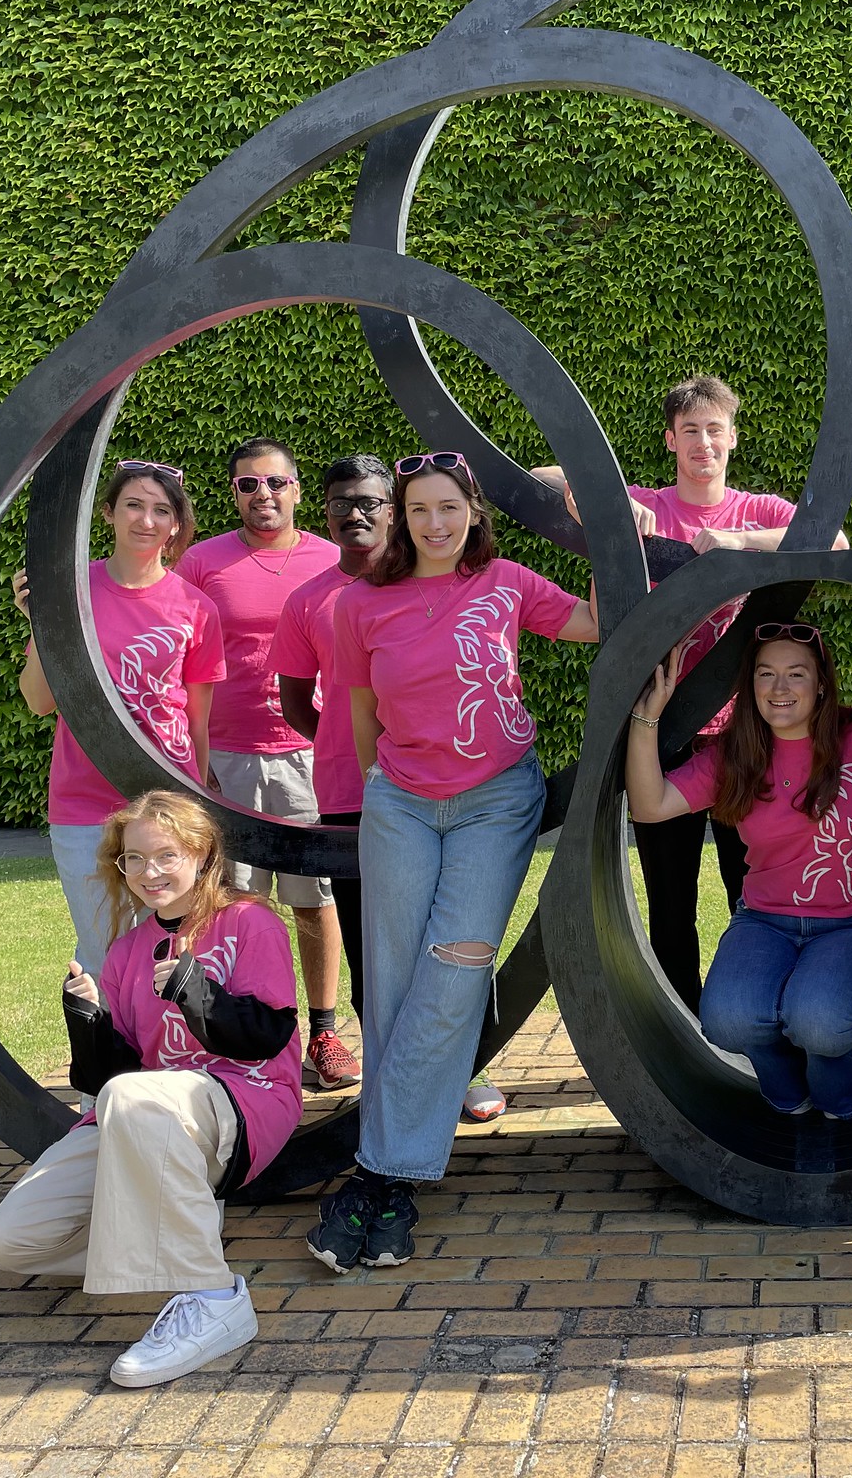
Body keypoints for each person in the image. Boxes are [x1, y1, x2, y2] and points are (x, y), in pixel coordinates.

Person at [307, 451, 598, 1272]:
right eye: (420, 509)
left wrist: (591, 525)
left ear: (474, 509)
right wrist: (377, 785)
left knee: (455, 968)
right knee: (394, 979)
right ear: (401, 516)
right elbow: (362, 709)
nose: (436, 523)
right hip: (399, 802)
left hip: (496, 800)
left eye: (450, 507)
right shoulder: (359, 604)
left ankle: (378, 1172)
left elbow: (598, 620)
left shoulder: (505, 580)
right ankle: (392, 1184)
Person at [534, 374, 844, 1012]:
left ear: (733, 439)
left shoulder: (757, 511)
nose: (704, 443)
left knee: (749, 889)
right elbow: (538, 476)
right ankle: (682, 1026)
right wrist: (599, 499)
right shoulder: (645, 504)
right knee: (669, 899)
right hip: (662, 732)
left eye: (715, 430)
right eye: (691, 431)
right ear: (671, 440)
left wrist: (739, 545)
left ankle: (751, 1018)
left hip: (744, 736)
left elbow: (833, 542)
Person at [0, 790, 302, 1387]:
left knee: (134, 1098)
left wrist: (193, 988)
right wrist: (90, 1023)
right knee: (12, 1241)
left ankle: (212, 1297)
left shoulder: (249, 920)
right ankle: (180, 1224)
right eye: (134, 858)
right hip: (147, 1113)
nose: (149, 871)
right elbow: (112, 1078)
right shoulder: (127, 951)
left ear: (203, 855)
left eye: (166, 855)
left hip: (245, 1095)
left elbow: (267, 1035)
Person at [626, 626, 852, 1117]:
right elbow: (650, 806)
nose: (780, 689)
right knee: (727, 1021)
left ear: (821, 682)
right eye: (766, 675)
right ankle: (789, 1092)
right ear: (750, 685)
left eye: (795, 674)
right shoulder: (737, 753)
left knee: (817, 1021)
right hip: (765, 923)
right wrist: (646, 718)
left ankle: (840, 1097)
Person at [268, 455, 508, 1122]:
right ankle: (392, 1083)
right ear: (325, 513)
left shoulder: (442, 583)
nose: (358, 513)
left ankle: (469, 1067)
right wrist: (348, 748)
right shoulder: (307, 601)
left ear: (394, 512)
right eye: (343, 502)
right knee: (376, 945)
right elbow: (295, 705)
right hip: (352, 794)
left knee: (457, 931)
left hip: (443, 785)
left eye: (372, 501)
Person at [176, 437, 354, 1089]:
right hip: (229, 757)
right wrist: (198, 761)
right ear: (233, 493)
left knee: (316, 899)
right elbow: (181, 660)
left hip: (313, 754)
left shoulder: (335, 559)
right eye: (249, 485)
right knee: (239, 907)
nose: (264, 496)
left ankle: (326, 1034)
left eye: (276, 483)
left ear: (298, 490)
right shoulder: (201, 564)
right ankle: (254, 1042)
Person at [14, 460, 223, 973]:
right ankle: (106, 1054)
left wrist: (199, 801)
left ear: (177, 524)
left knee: (177, 951)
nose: (145, 520)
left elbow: (197, 720)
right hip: (85, 801)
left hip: (170, 803)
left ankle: (173, 1053)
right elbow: (40, 702)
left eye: (161, 509)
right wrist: (42, 621)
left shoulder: (196, 608)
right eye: (133, 504)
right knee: (105, 951)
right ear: (107, 512)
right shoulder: (69, 592)